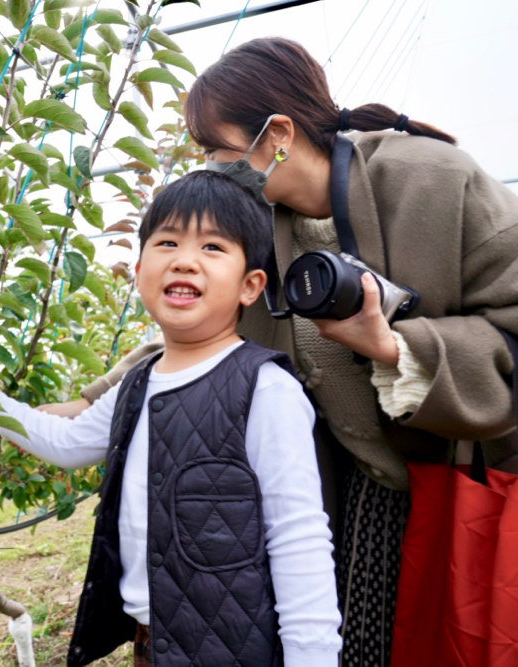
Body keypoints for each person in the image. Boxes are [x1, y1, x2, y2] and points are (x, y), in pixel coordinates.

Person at [36, 37, 518, 667]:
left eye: (217, 149)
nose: (210, 167)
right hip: (359, 487)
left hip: (465, 480)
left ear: (279, 135)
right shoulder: (261, 227)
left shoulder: (433, 180)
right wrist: (88, 401)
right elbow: (199, 331)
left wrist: (397, 347)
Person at [0, 170, 343, 666]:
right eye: (167, 242)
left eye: (213, 248)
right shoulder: (136, 384)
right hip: (151, 645)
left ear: (250, 286)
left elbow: (298, 538)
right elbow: (72, 443)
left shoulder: (265, 389)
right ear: (139, 270)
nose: (185, 260)